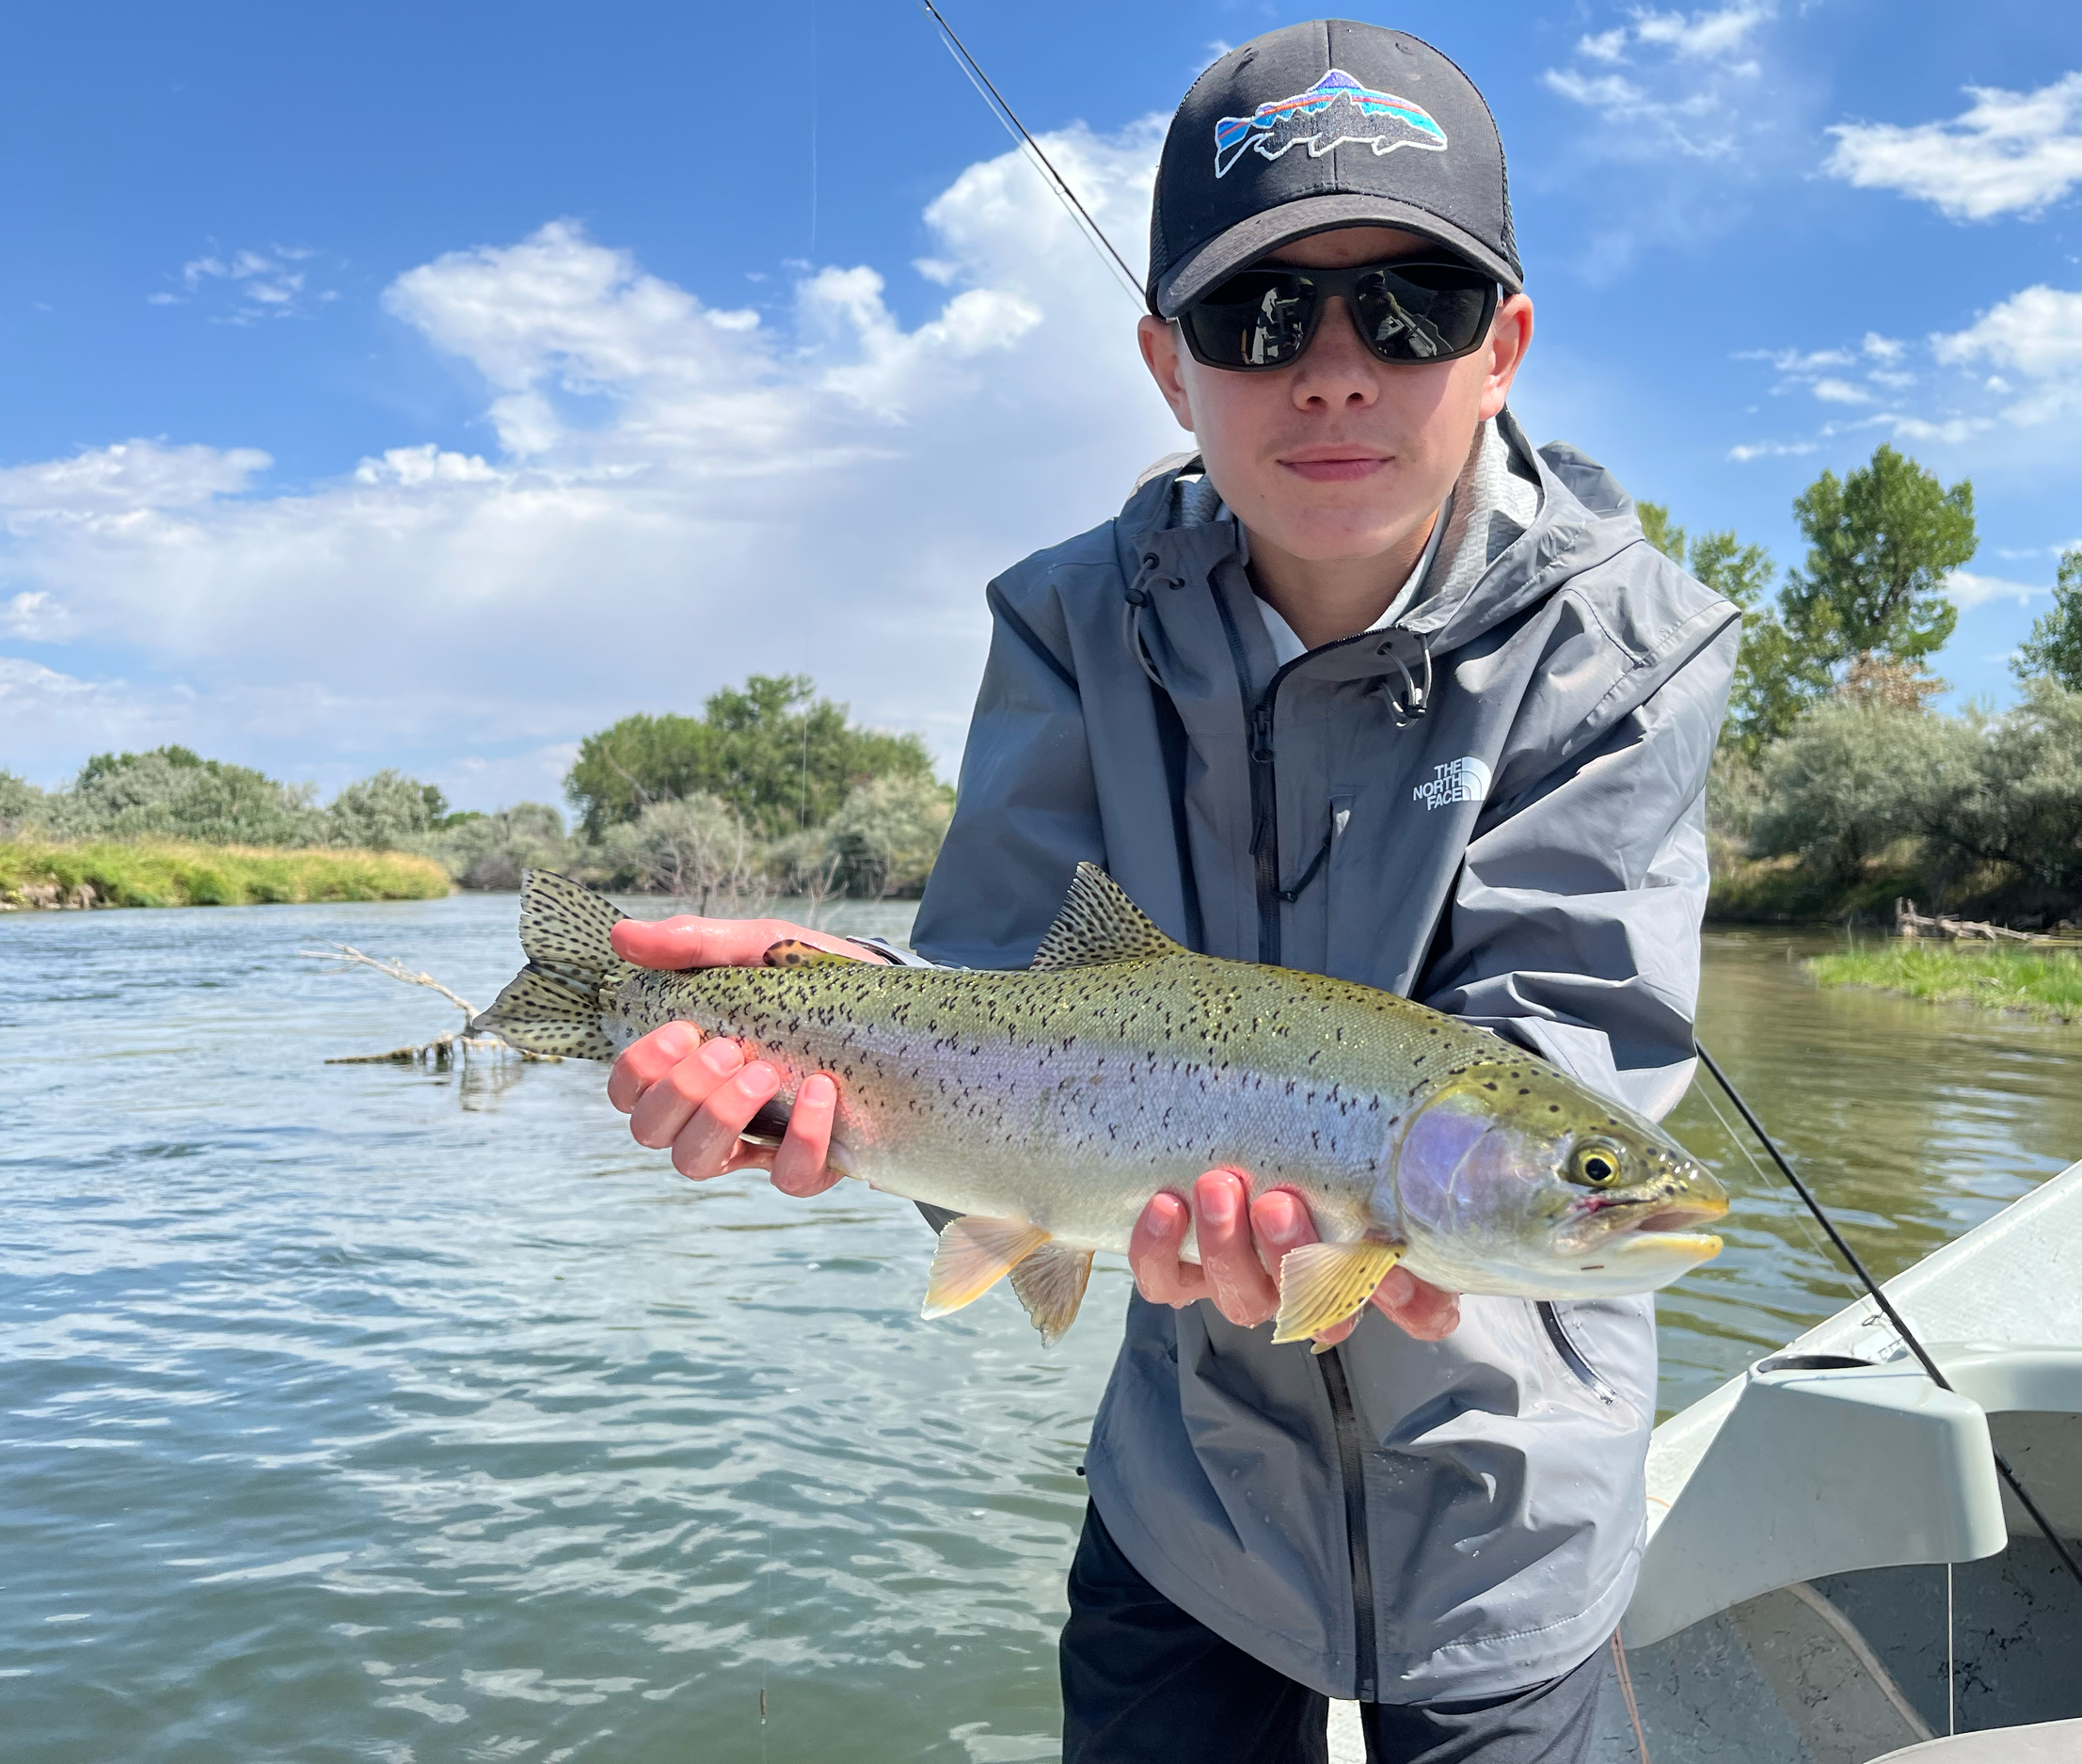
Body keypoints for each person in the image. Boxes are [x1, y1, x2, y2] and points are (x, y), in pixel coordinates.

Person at [605, 20, 1737, 1763]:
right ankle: (554, 999)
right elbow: (983, 1002)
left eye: (1410, 309)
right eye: (1261, 317)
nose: (1336, 371)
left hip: (1518, 1504)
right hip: (1184, 1499)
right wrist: (810, 1084)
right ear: (1166, 361)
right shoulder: (1071, 621)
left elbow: (1563, 1042)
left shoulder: (1629, 645)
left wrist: (1468, 1232)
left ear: (1503, 348)